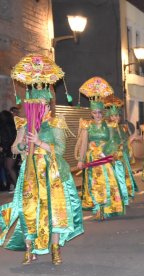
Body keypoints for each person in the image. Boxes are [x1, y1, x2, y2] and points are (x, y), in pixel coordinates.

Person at [0, 70, 83, 265]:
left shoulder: (56, 123)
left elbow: (61, 150)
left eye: (43, 104)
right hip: (30, 172)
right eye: (36, 104)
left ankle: (55, 249)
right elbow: (14, 147)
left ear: (47, 104)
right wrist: (22, 145)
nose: (40, 107)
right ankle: (29, 250)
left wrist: (39, 142)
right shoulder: (24, 124)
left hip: (51, 173)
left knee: (55, 211)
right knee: (28, 209)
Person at [76, 95, 126, 220]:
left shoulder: (110, 125)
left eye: (99, 112)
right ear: (91, 113)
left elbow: (113, 142)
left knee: (106, 182)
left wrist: (108, 152)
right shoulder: (87, 125)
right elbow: (84, 144)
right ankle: (99, 208)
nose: (97, 115)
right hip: (92, 158)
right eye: (94, 112)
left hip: (104, 157)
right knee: (94, 183)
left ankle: (105, 207)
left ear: (102, 112)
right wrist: (81, 160)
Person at [107, 101, 139, 203]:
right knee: (115, 177)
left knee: (125, 176)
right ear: (109, 117)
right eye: (112, 116)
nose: (115, 118)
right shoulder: (108, 128)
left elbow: (126, 141)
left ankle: (126, 195)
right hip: (113, 156)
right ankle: (117, 197)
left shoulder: (123, 128)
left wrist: (132, 139)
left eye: (117, 115)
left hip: (123, 156)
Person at [0, 110, 18, 191]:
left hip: (10, 149)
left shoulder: (5, 126)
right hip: (11, 149)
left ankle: (17, 186)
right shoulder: (12, 125)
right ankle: (15, 185)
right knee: (9, 168)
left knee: (9, 168)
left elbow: (7, 138)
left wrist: (4, 147)